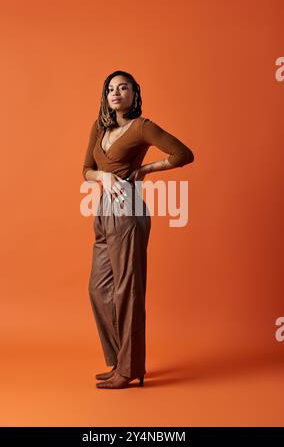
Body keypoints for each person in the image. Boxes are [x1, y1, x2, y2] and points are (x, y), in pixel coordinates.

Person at [82, 70, 194, 389]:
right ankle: (122, 360)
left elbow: (184, 154)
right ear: (106, 97)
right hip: (103, 208)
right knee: (98, 287)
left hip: (128, 207)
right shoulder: (99, 128)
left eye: (123, 87)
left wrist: (146, 169)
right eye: (111, 89)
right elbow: (85, 170)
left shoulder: (141, 127)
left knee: (127, 288)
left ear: (134, 94)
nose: (116, 93)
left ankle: (129, 368)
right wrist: (103, 177)